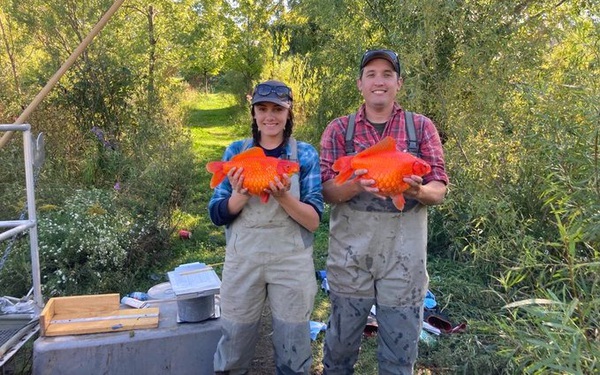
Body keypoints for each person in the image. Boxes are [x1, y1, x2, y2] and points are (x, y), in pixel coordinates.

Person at [319, 49, 449, 374]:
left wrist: (417, 190)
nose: (379, 81)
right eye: (372, 74)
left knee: (400, 356)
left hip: (404, 261)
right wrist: (358, 185)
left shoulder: (421, 127)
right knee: (339, 350)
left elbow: (440, 189)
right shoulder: (338, 130)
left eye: (387, 74)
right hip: (350, 257)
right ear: (360, 83)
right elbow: (326, 191)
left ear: (399, 83)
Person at [209, 80, 324, 375]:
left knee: (294, 347)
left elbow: (314, 221)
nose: (270, 116)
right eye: (262, 109)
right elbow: (216, 213)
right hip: (243, 258)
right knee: (234, 343)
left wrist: (284, 196)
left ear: (289, 114)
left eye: (278, 109)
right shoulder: (237, 151)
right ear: (254, 113)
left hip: (292, 261)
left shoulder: (305, 154)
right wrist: (241, 194)